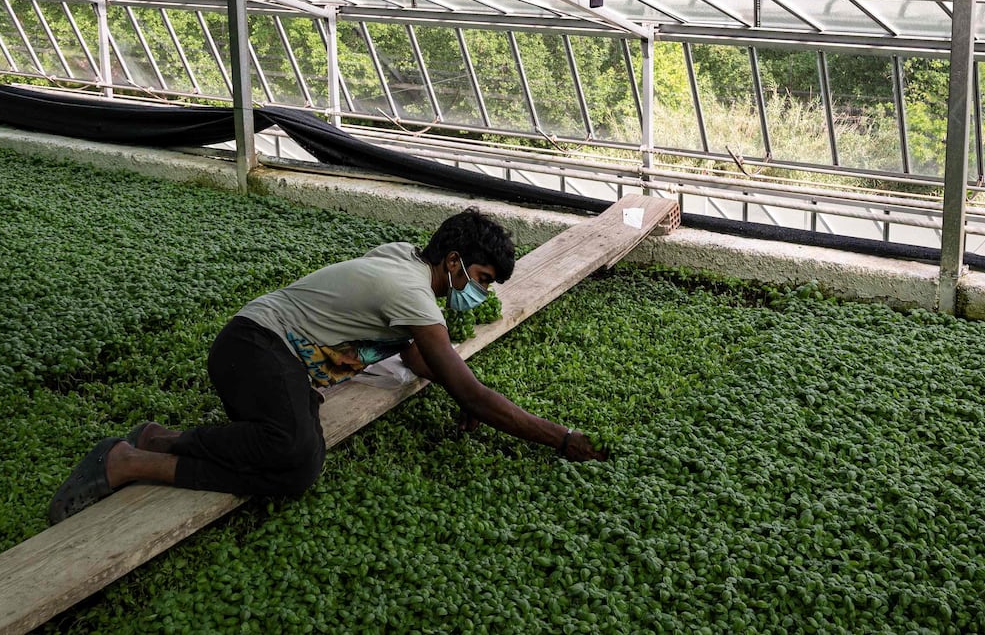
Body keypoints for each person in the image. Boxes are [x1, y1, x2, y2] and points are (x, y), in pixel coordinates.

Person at [48, 208, 605, 524]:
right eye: (482, 280)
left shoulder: (405, 261)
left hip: (264, 353)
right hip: (256, 348)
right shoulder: (409, 290)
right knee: (295, 454)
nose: (479, 293)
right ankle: (126, 461)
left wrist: (464, 394)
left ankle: (159, 440)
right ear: (455, 262)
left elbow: (416, 356)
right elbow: (470, 389)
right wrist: (560, 438)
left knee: (294, 463)